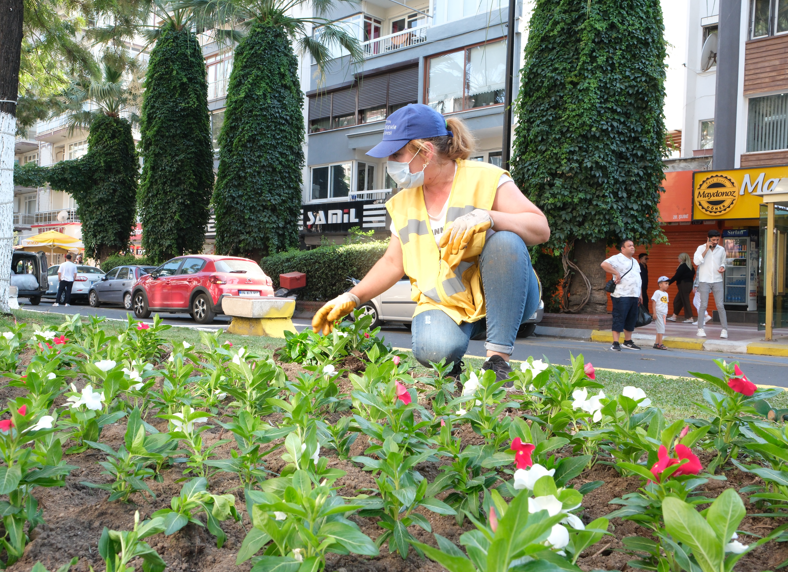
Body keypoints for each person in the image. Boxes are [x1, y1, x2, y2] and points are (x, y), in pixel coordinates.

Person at [311, 104, 550, 383]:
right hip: (447, 305)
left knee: (506, 241)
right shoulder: (403, 202)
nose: (391, 164)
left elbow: (540, 228)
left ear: (425, 152)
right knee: (431, 349)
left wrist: (490, 216)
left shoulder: (484, 178)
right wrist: (351, 297)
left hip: (508, 299)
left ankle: (496, 365)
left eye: (397, 154)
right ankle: (451, 373)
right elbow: (392, 262)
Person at [601, 239, 642, 351]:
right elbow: (604, 264)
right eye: (629, 246)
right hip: (621, 294)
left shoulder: (635, 261)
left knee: (631, 319)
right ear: (622, 248)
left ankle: (628, 341)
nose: (632, 247)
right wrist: (616, 272)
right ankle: (615, 342)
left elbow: (638, 278)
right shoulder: (617, 258)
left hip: (634, 295)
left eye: (633, 245)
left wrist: (640, 294)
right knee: (619, 317)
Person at [694, 229, 727, 339]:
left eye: (717, 240)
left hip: (717, 279)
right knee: (703, 305)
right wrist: (706, 250)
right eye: (713, 240)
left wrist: (723, 267)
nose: (715, 242)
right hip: (704, 280)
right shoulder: (700, 248)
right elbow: (696, 262)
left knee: (720, 305)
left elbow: (723, 262)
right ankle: (700, 329)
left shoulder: (721, 249)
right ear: (708, 239)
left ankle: (724, 330)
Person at [667, 253, 696, 323]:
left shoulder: (683, 266)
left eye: (679, 258)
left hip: (683, 284)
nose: (678, 259)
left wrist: (668, 283)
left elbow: (676, 276)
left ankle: (690, 317)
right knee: (677, 300)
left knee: (685, 301)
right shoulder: (691, 267)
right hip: (689, 285)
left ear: (682, 258)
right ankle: (674, 316)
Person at [651, 276, 670, 350]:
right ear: (660, 284)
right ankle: (660, 344)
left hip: (664, 314)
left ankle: (656, 343)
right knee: (661, 328)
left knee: (660, 328)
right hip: (658, 312)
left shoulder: (666, 294)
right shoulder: (657, 292)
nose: (667, 285)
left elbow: (666, 304)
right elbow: (654, 302)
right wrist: (654, 313)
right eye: (665, 283)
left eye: (668, 284)